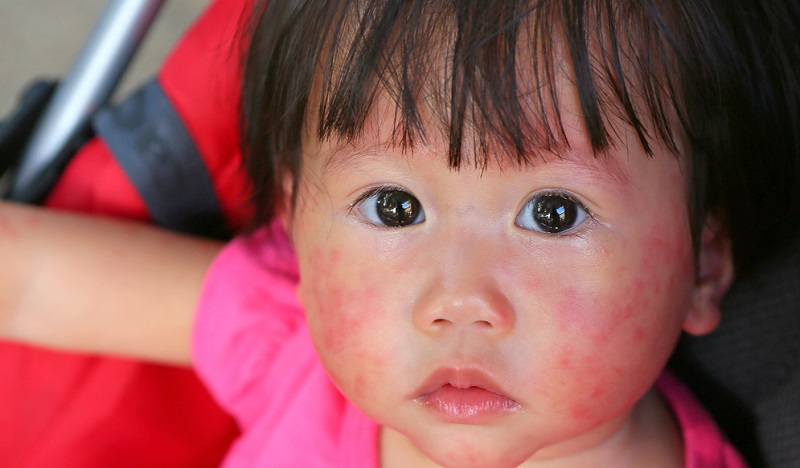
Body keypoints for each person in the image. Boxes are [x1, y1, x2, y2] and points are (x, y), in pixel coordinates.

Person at [2, 0, 799, 466]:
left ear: (704, 262)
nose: (457, 301)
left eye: (553, 213)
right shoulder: (290, 343)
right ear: (297, 223)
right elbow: (32, 280)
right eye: (393, 207)